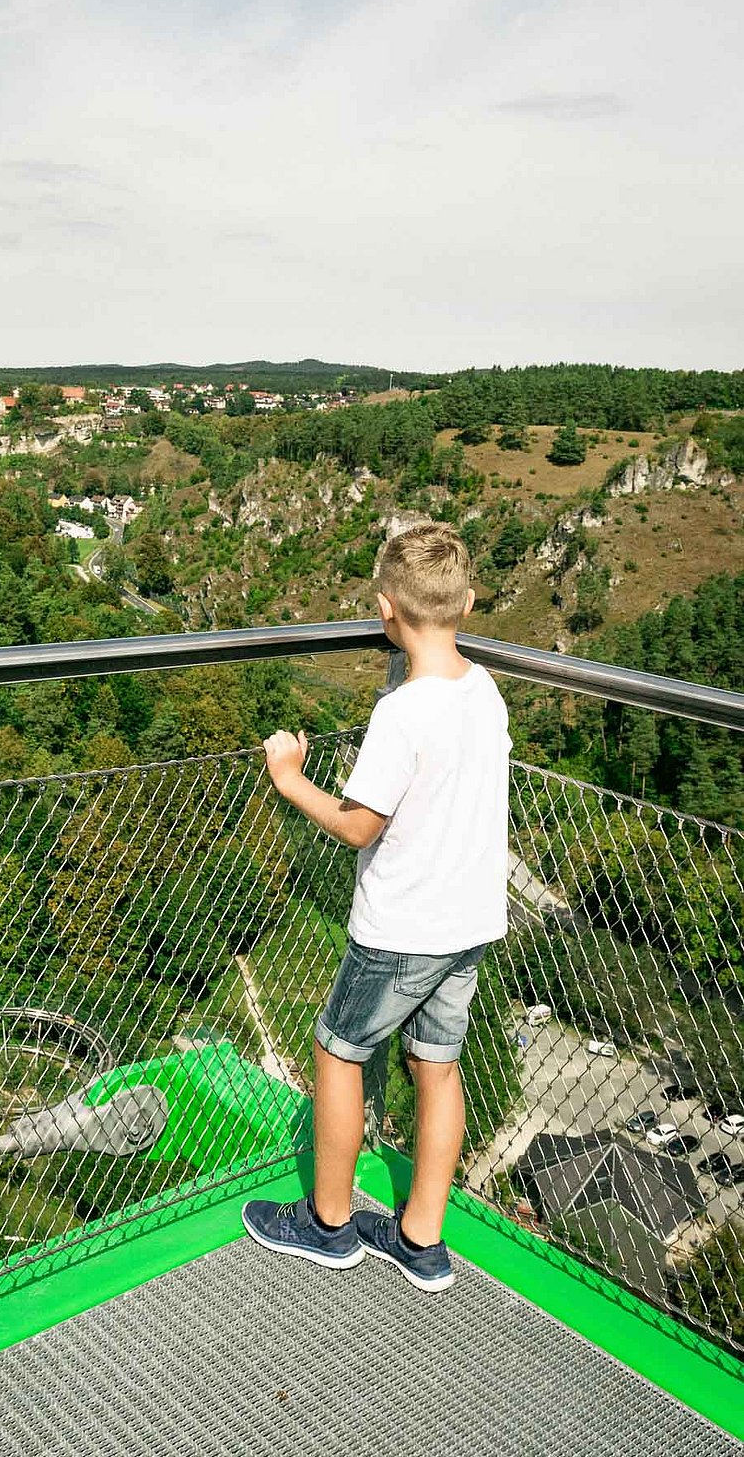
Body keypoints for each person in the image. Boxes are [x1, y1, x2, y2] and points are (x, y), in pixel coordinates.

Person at [241, 522, 510, 1291]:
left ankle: (328, 1223)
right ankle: (421, 1236)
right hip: (469, 924)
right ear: (467, 600)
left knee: (338, 1050)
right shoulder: (482, 689)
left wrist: (290, 777)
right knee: (438, 1064)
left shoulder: (402, 715)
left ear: (385, 610)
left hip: (401, 928)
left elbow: (362, 822)